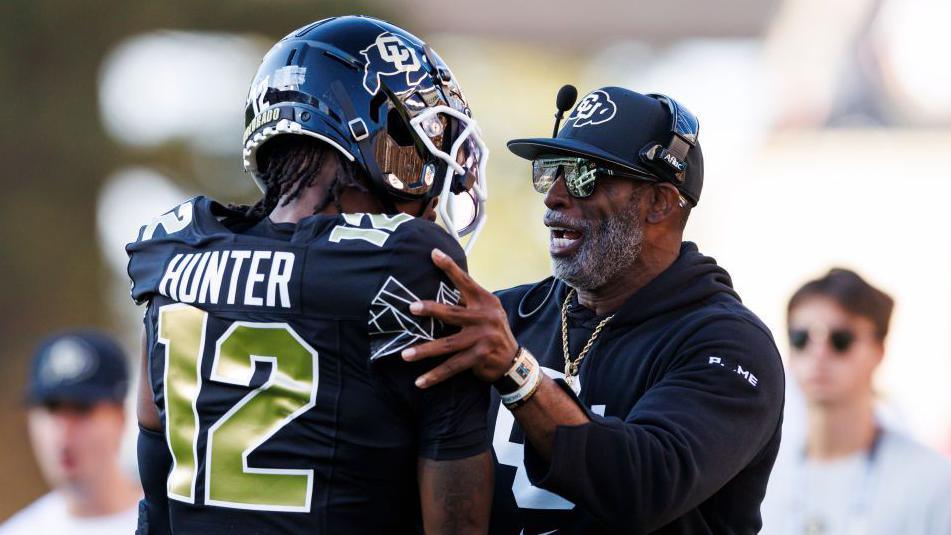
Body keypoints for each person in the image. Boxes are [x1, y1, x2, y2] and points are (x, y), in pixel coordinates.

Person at [126, 16, 492, 534]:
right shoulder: (407, 261)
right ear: (369, 133)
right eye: (422, 135)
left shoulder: (172, 246)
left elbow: (155, 477)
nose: (434, 175)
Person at [401, 86, 786, 533]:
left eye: (585, 175)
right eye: (551, 172)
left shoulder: (730, 345)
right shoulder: (508, 315)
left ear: (659, 202)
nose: (554, 196)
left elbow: (645, 485)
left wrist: (516, 372)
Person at [760, 268, 951, 534]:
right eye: (801, 338)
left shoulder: (934, 481)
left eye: (841, 340)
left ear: (879, 350)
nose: (819, 353)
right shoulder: (760, 474)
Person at [0, 331, 141, 535]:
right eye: (51, 408)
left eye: (81, 409)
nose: (63, 432)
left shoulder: (173, 525)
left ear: (120, 418)